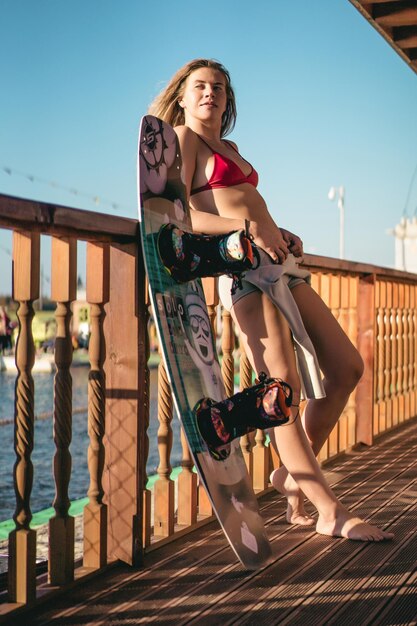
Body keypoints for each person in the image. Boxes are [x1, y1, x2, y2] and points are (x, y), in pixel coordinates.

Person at [149, 58, 393, 541]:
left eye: (218, 86)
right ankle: (328, 509)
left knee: (346, 368)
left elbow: (244, 205)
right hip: (242, 269)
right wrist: (249, 229)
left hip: (280, 264)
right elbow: (180, 219)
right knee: (280, 390)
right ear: (182, 95)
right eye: (199, 86)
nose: (210, 93)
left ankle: (290, 475)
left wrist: (275, 230)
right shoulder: (185, 138)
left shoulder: (230, 146)